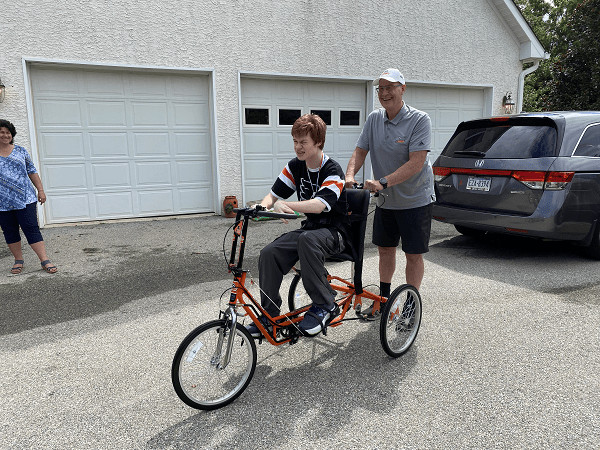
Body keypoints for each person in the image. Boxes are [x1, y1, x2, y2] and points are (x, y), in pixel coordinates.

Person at [247, 113, 349, 337]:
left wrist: (288, 205)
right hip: (311, 232)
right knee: (269, 253)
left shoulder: (333, 170)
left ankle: (325, 305)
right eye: (295, 141)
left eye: (303, 142)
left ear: (318, 142)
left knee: (306, 239)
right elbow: (273, 196)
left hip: (336, 232)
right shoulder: (296, 166)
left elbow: (320, 205)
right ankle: (269, 315)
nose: (298, 147)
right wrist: (262, 208)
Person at [345, 68, 433, 318]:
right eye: (380, 89)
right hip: (386, 201)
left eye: (389, 87)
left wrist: (383, 181)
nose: (384, 93)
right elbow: (360, 151)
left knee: (413, 255)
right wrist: (350, 175)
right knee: (385, 249)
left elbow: (416, 162)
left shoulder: (419, 120)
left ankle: (410, 305)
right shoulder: (374, 119)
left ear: (402, 89)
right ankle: (384, 300)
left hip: (416, 200)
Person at [0, 119, 57, 274]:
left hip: (25, 199)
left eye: (7, 132)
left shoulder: (21, 151)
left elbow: (31, 171)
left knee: (31, 228)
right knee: (10, 231)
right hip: (2, 203)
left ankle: (44, 259)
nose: (5, 135)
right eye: (1, 132)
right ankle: (18, 260)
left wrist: (41, 190)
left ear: (12, 135)